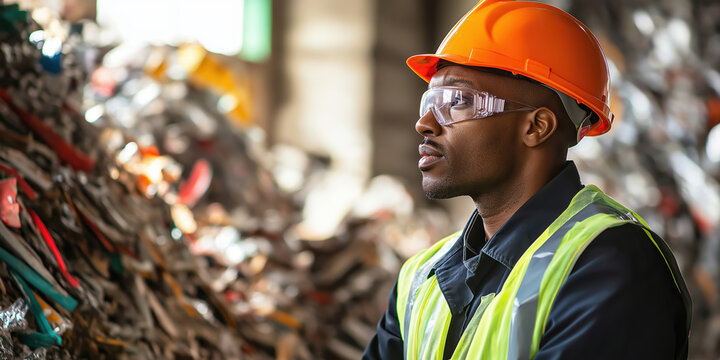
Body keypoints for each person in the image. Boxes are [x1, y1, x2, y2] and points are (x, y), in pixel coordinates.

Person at [363, 0, 692, 359]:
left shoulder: (611, 266)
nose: (425, 123)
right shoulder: (420, 276)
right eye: (430, 101)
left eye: (456, 101)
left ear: (536, 127)